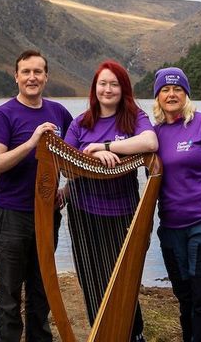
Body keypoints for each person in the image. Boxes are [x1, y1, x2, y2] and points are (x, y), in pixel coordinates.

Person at [63, 60, 158, 342]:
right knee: (91, 279)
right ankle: (101, 333)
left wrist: (107, 147)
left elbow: (150, 142)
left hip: (124, 212)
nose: (107, 89)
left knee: (124, 280)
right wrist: (90, 157)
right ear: (95, 88)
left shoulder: (133, 117)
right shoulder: (80, 122)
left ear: (123, 88)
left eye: (114, 84)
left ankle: (133, 334)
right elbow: (65, 167)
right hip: (84, 212)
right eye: (102, 84)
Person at [0, 49, 73, 342]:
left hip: (48, 215)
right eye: (26, 72)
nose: (32, 78)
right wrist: (32, 142)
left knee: (42, 288)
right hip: (12, 215)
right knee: (9, 292)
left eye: (38, 72)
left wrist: (68, 189)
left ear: (46, 77)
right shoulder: (4, 114)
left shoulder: (60, 113)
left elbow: (75, 158)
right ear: (16, 76)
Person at [152, 67, 201, 342]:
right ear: (158, 97)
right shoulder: (155, 134)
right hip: (171, 231)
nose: (171, 94)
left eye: (177, 89)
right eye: (165, 89)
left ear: (186, 94)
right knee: (185, 299)